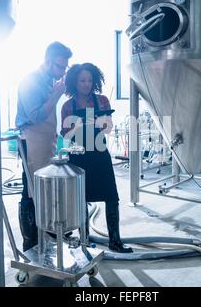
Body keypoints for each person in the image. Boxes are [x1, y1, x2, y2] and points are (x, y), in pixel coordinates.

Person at [61, 63, 133, 253]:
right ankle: (84, 240)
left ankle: (115, 241)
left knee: (111, 196)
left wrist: (103, 124)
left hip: (100, 155)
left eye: (89, 80)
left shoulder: (102, 101)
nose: (86, 84)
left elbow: (108, 129)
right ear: (74, 82)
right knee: (81, 199)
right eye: (82, 80)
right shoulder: (68, 106)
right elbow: (66, 136)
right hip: (78, 156)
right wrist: (80, 125)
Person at [15, 42, 72, 251]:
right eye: (60, 66)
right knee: (30, 191)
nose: (63, 71)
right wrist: (57, 94)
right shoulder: (31, 81)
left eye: (65, 67)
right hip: (31, 139)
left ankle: (46, 234)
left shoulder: (50, 81)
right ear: (48, 62)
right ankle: (31, 241)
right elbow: (36, 115)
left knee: (44, 187)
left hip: (46, 139)